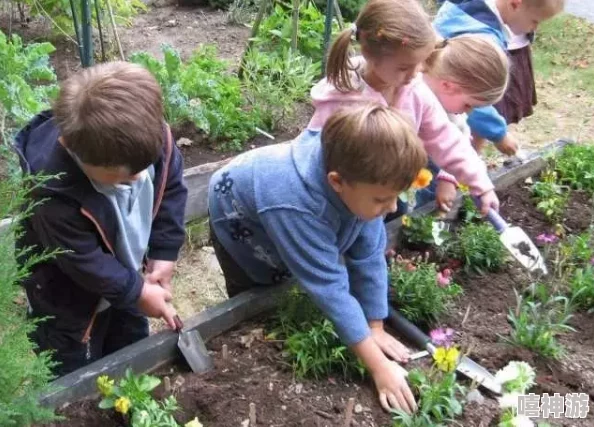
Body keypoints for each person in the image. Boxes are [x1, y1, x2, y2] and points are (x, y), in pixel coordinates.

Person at [208, 104, 427, 413]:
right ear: (337, 182)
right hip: (238, 219)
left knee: (304, 266)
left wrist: (375, 325)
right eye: (382, 199)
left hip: (283, 203)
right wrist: (379, 368)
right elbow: (330, 287)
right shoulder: (295, 204)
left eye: (395, 196)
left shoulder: (365, 178)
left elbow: (368, 256)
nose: (392, 208)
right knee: (259, 287)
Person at [14, 62, 187, 376]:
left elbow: (170, 187)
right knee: (72, 366)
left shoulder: (146, 138)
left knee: (128, 343)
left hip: (126, 274)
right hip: (67, 299)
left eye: (143, 169)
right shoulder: (52, 196)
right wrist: (136, 293)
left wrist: (164, 252)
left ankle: (124, 387)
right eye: (123, 178)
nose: (137, 178)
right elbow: (85, 261)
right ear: (76, 152)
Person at [307, 0, 499, 216]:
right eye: (404, 67)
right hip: (339, 201)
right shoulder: (342, 100)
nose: (415, 73)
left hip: (382, 196)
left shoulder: (414, 90)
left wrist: (481, 184)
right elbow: (315, 159)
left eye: (420, 63)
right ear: (371, 55)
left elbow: (445, 137)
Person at [433, 0, 565, 155]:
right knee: (449, 146)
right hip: (443, 106)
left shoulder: (469, 7)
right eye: (535, 21)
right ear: (515, 4)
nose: (535, 28)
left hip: (440, 93)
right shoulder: (483, 42)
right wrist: (499, 135)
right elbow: (474, 100)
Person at [419, 34, 510, 206]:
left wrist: (448, 177)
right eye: (468, 104)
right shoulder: (411, 89)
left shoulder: (449, 106)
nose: (469, 112)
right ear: (448, 86)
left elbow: (458, 142)